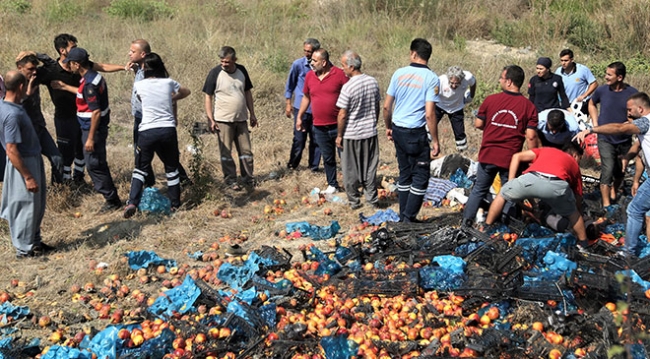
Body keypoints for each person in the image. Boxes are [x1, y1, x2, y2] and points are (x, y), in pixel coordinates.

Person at [38, 34, 125, 184]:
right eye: (73, 47)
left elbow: (102, 66)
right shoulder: (51, 71)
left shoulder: (80, 64)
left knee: (81, 149)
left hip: (83, 116)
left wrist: (123, 67)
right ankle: (64, 184)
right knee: (65, 152)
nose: (76, 49)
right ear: (62, 50)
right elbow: (31, 77)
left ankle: (78, 178)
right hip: (64, 118)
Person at [462, 65, 539, 226]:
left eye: (502, 78)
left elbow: (478, 123)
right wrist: (534, 157)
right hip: (510, 159)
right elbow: (531, 136)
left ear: (509, 82)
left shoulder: (491, 100)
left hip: (488, 154)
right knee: (509, 191)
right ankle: (505, 224)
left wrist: (494, 126)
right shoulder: (529, 107)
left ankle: (466, 224)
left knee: (479, 190)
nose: (500, 80)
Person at [575, 92, 650, 255]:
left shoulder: (645, 123)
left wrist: (591, 130)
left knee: (634, 210)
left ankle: (629, 252)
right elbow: (638, 148)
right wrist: (629, 161)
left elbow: (620, 128)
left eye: (630, 110)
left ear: (641, 108)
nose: (628, 113)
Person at [483, 143, 589, 248]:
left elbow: (516, 156)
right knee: (573, 213)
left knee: (502, 195)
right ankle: (584, 245)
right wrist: (576, 211)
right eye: (580, 158)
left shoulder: (547, 150)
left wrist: (511, 181)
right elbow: (578, 197)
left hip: (532, 178)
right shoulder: (574, 164)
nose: (578, 162)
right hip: (557, 185)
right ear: (575, 155)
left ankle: (486, 228)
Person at [124, 53, 190, 218]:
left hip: (147, 130)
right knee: (171, 168)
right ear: (161, 66)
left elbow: (140, 98)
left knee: (140, 168)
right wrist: (172, 98)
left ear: (145, 68)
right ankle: (175, 205)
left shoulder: (140, 85)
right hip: (167, 129)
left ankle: (132, 202)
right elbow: (186, 91)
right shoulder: (168, 83)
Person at [383, 38, 440, 222]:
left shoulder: (398, 73)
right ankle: (408, 218)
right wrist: (436, 140)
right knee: (421, 176)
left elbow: (386, 107)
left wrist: (388, 126)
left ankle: (404, 217)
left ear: (413, 53)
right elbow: (430, 114)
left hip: (398, 129)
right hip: (415, 133)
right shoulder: (431, 78)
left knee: (405, 173)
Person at [0, 70, 53, 258]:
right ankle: (24, 250)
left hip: (32, 159)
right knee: (25, 207)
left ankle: (34, 242)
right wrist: (28, 176)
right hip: (22, 163)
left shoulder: (11, 105)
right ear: (20, 87)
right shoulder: (11, 115)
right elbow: (12, 150)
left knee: (36, 206)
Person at [64, 47, 122, 212]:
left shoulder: (89, 83)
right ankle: (112, 197)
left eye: (70, 63)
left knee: (94, 164)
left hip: (92, 129)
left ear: (76, 64)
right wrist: (64, 87)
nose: (69, 66)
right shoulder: (94, 77)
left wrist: (89, 138)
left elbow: (95, 111)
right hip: (95, 128)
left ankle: (111, 200)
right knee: (98, 162)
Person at [202, 46, 258, 190]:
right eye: (222, 61)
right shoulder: (215, 73)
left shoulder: (242, 71)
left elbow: (247, 93)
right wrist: (210, 119)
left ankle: (248, 179)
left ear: (234, 60)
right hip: (223, 120)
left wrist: (252, 113)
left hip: (241, 119)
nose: (224, 64)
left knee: (246, 151)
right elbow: (208, 96)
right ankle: (231, 180)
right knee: (226, 152)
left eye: (227, 62)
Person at [297, 48, 348, 194]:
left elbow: (350, 94)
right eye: (311, 60)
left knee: (345, 157)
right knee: (327, 157)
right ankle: (332, 184)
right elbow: (306, 97)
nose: (311, 63)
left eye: (314, 60)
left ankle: (352, 183)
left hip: (338, 125)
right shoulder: (309, 76)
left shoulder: (339, 75)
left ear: (324, 62)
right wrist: (300, 116)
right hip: (319, 125)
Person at [587, 61, 637, 208]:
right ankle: (607, 204)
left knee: (620, 171)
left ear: (619, 77)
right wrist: (595, 124)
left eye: (609, 75)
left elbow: (636, 114)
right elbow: (591, 103)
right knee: (607, 170)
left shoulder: (631, 93)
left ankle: (615, 189)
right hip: (605, 138)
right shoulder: (602, 91)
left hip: (624, 139)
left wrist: (630, 123)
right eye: (606, 74)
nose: (606, 77)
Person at [335, 50, 380, 209]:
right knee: (369, 167)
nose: (342, 69)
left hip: (352, 134)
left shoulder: (348, 87)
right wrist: (373, 123)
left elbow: (342, 114)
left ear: (351, 66)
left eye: (343, 66)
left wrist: (339, 135)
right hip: (370, 133)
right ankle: (372, 200)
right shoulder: (372, 82)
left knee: (350, 169)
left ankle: (354, 201)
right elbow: (376, 106)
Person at [15, 51, 64, 184]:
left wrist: (36, 54)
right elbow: (11, 107)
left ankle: (58, 189)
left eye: (35, 68)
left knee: (57, 159)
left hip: (39, 127)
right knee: (34, 165)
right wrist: (27, 94)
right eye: (30, 69)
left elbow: (53, 66)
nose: (34, 72)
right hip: (25, 133)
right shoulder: (14, 82)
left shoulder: (35, 77)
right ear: (20, 67)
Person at [285, 38, 321, 171]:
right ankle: (293, 165)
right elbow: (290, 85)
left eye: (309, 52)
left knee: (316, 139)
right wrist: (288, 103)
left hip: (317, 109)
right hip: (301, 108)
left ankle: (314, 166)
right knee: (299, 139)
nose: (306, 54)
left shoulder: (323, 65)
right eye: (305, 51)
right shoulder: (298, 65)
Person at [436, 66, 476, 151]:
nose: (454, 86)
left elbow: (473, 83)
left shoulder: (468, 77)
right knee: (428, 126)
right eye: (451, 83)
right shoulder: (440, 80)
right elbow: (432, 94)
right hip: (440, 106)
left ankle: (463, 151)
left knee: (460, 133)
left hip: (456, 107)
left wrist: (471, 96)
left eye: (457, 83)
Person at [555, 49, 598, 115]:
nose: (563, 63)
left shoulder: (582, 70)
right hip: (564, 105)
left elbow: (594, 84)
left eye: (566, 60)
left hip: (580, 104)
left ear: (572, 60)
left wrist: (584, 95)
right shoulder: (558, 71)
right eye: (562, 60)